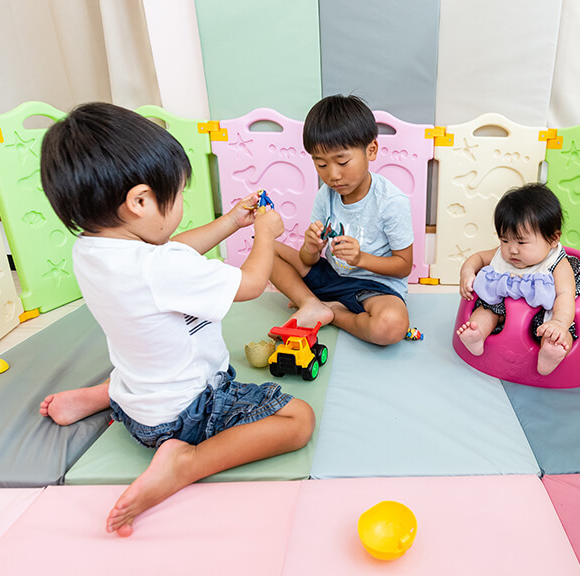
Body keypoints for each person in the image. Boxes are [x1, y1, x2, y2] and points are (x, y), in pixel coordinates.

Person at [35, 103, 315, 537]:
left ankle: (103, 396)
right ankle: (185, 463)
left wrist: (229, 223)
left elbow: (169, 252)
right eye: (179, 194)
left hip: (138, 401)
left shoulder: (93, 250)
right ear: (140, 201)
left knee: (142, 358)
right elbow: (252, 284)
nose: (182, 201)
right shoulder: (159, 269)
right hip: (183, 413)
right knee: (298, 421)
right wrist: (264, 234)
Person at [269, 94, 413, 346]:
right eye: (321, 164)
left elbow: (403, 266)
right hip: (332, 276)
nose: (333, 175)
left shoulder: (391, 201)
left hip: (375, 289)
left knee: (390, 326)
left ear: (371, 150)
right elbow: (308, 261)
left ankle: (330, 312)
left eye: (342, 161)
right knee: (264, 249)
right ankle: (310, 303)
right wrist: (310, 248)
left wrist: (360, 259)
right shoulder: (325, 196)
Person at [456, 184, 580, 375]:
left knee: (559, 334)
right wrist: (467, 273)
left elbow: (565, 295)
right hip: (503, 310)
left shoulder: (557, 263)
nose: (512, 249)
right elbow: (478, 258)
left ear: (553, 238)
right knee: (486, 309)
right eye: (504, 240)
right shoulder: (502, 254)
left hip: (544, 314)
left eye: (521, 242)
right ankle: (477, 334)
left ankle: (551, 351)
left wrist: (559, 322)